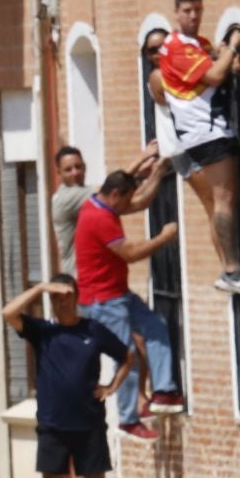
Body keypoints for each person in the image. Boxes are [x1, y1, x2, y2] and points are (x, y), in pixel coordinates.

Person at [2, 277, 129, 478]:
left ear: (76, 297)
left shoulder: (93, 330)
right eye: (56, 299)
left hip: (89, 425)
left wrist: (111, 387)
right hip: (52, 425)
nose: (61, 303)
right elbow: (9, 313)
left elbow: (126, 357)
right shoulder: (43, 331)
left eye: (66, 297)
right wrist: (41, 289)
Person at [151, 0, 240, 294]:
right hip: (207, 132)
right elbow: (214, 75)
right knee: (223, 201)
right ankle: (233, 270)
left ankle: (228, 269)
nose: (193, 16)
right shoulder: (177, 48)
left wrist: (223, 56)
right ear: (176, 12)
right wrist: (234, 46)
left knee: (216, 206)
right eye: (187, 11)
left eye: (198, 10)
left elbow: (223, 66)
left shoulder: (198, 45)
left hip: (204, 133)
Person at [75, 166, 182, 441]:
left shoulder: (101, 203)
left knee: (155, 326)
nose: (127, 207)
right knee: (127, 356)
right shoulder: (100, 218)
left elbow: (141, 200)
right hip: (103, 302)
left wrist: (159, 170)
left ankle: (164, 391)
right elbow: (131, 254)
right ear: (113, 194)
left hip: (119, 294)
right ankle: (128, 419)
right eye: (124, 200)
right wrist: (164, 238)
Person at [50, 146, 94, 277]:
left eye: (78, 167)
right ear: (59, 173)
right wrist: (141, 160)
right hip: (79, 276)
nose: (75, 172)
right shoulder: (66, 198)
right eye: (68, 170)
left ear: (84, 167)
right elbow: (112, 189)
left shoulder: (83, 193)